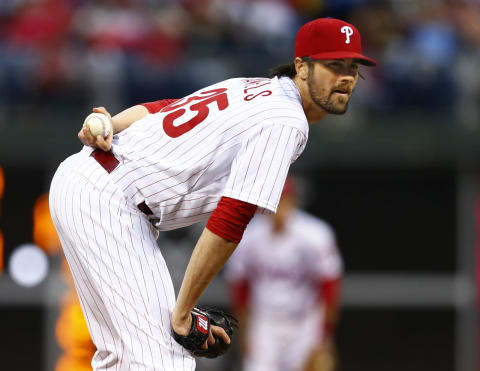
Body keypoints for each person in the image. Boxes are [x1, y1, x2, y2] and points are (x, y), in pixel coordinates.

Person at [49, 17, 375, 370]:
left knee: (122, 359)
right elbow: (231, 217)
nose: (346, 77)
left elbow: (164, 108)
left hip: (91, 182)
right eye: (334, 65)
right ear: (302, 66)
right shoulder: (286, 120)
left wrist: (114, 123)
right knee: (164, 360)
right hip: (109, 199)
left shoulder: (251, 87)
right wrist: (183, 313)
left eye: (353, 68)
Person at [224, 177, 343, 371]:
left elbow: (330, 285)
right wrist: (244, 332)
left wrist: (324, 335)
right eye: (275, 200)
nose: (279, 207)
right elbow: (239, 285)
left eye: (284, 199)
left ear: (293, 201)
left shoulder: (315, 234)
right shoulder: (248, 236)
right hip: (265, 323)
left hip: (304, 323)